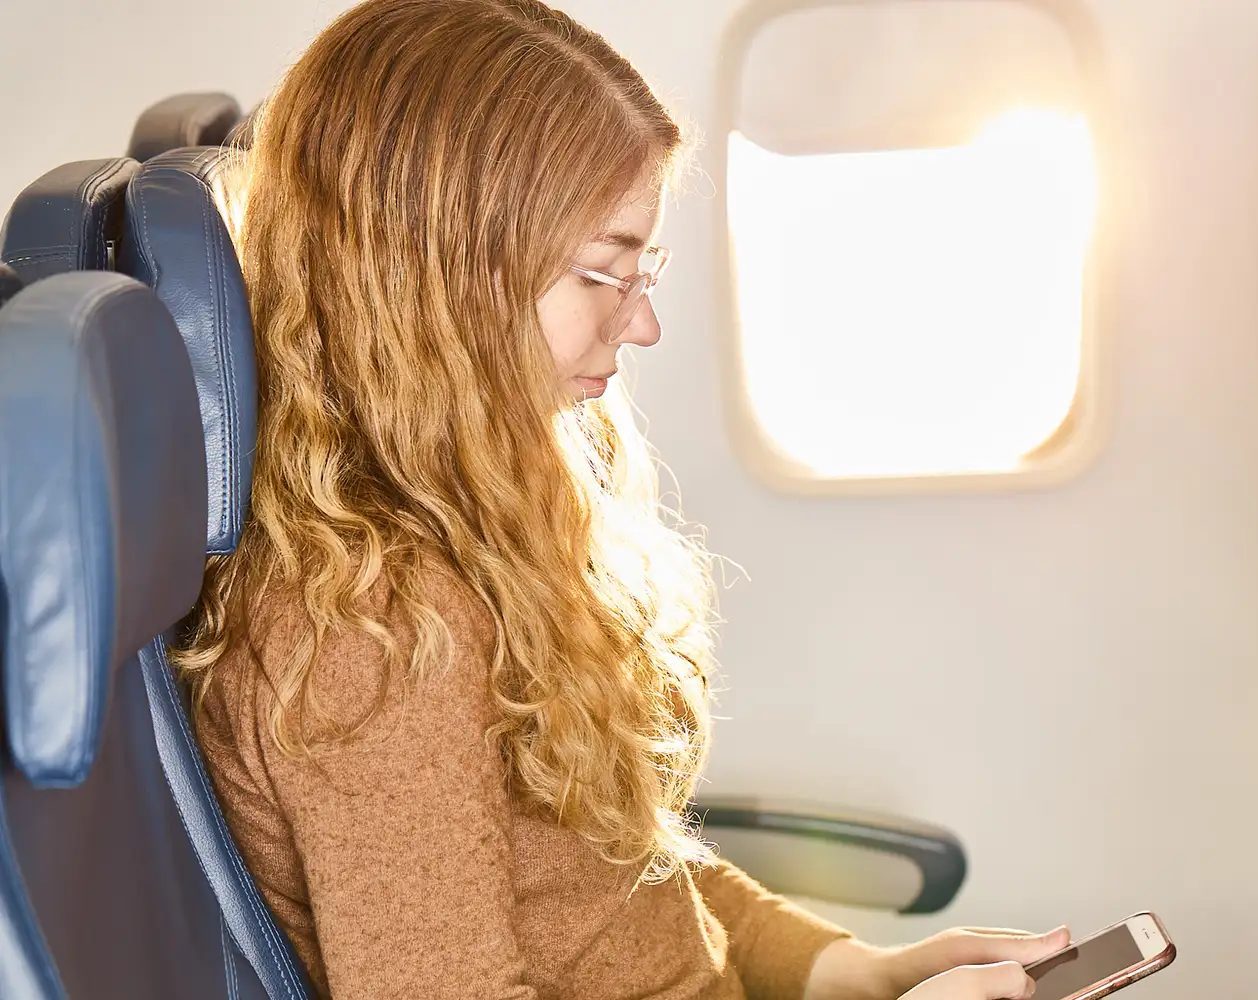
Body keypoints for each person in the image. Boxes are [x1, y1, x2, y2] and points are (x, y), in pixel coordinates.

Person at [169, 1, 1070, 996]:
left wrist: (853, 971)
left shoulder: (470, 520)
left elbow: (607, 877)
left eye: (645, 268)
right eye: (604, 269)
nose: (640, 322)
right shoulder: (378, 632)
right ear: (438, 273)